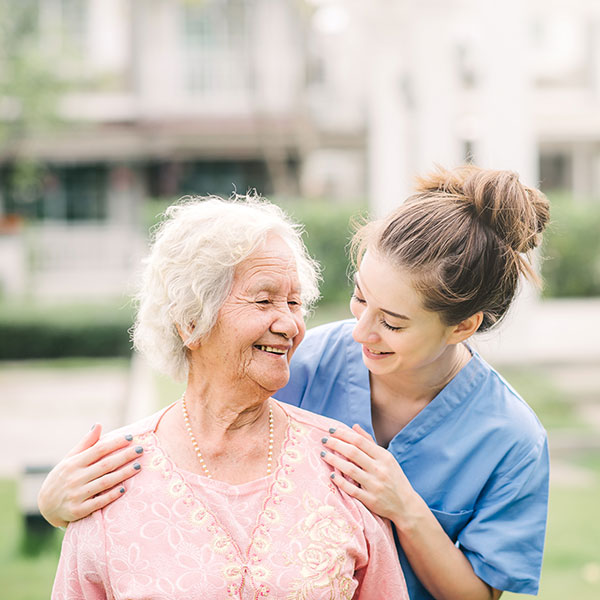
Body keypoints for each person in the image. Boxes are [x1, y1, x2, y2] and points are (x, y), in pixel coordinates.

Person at [42, 166, 551, 600]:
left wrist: (405, 507)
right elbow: (207, 411)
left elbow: (481, 594)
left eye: (392, 323)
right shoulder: (305, 359)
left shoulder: (512, 439)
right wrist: (58, 503)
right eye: (359, 298)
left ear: (463, 326)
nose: (361, 331)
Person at [51, 196, 408, 599]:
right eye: (264, 300)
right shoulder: (110, 478)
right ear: (190, 321)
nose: (290, 323)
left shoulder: (341, 462)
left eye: (294, 303)